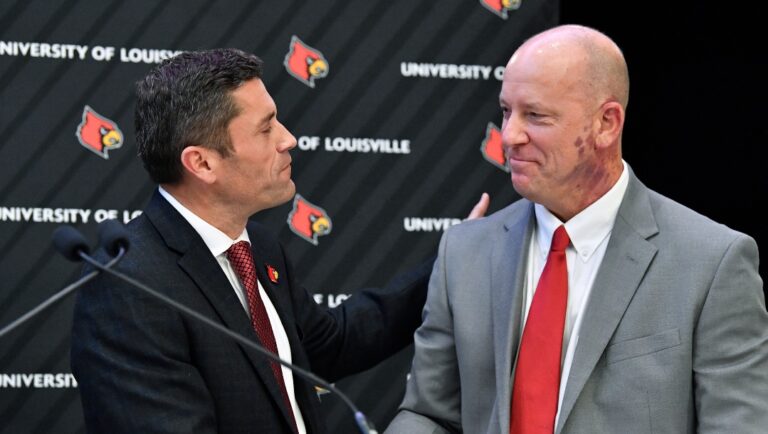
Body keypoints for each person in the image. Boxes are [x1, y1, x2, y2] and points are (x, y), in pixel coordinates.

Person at [70, 48, 488, 434]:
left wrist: (453, 263)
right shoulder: (128, 286)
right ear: (202, 162)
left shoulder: (257, 247)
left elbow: (330, 345)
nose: (288, 139)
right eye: (266, 128)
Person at [386, 24, 768, 434]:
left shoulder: (712, 263)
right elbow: (428, 415)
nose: (509, 135)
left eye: (535, 115)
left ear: (606, 123)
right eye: (505, 111)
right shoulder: (464, 252)